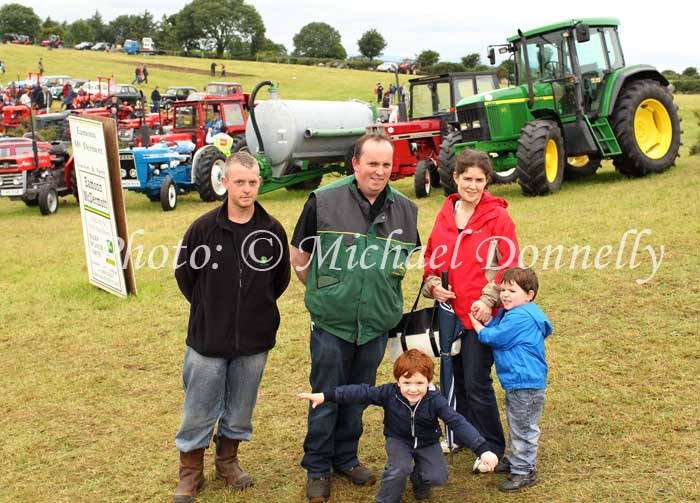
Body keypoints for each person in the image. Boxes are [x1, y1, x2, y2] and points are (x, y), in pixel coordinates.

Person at [291, 132, 419, 502]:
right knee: (325, 394)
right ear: (355, 164)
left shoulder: (406, 210)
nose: (379, 172)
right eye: (372, 164)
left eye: (385, 165)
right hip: (332, 323)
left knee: (359, 395)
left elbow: (404, 260)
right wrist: (325, 293)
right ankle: (317, 465)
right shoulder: (323, 201)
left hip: (376, 324)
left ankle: (345, 457)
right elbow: (300, 258)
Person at [173, 150, 291, 503]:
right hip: (208, 339)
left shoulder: (271, 231)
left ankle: (228, 461)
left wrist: (254, 312)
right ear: (225, 182)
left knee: (241, 406)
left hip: (254, 340)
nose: (247, 189)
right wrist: (212, 310)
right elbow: (185, 276)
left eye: (253, 182)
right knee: (199, 408)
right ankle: (190, 472)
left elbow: (279, 280)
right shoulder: (203, 228)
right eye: (239, 182)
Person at [298, 349, 498, 502]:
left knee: (437, 476)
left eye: (419, 383)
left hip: (427, 442)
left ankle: (419, 480)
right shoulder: (388, 393)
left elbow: (457, 422)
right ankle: (386, 499)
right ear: (398, 381)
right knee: (398, 470)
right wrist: (326, 395)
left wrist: (483, 449)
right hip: (398, 439)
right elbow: (360, 392)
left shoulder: (435, 400)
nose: (413, 389)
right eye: (407, 382)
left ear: (428, 382)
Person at [422, 149, 519, 461]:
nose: (473, 186)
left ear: (487, 181)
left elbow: (509, 264)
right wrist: (432, 284)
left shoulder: (498, 217)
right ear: (455, 178)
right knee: (455, 377)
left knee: (477, 380)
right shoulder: (445, 214)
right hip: (450, 314)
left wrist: (488, 301)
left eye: (479, 180)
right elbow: (432, 257)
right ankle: (465, 435)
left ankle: (492, 445)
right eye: (467, 179)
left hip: (480, 315)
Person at [469, 266, 551, 492]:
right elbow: (497, 325)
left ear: (529, 295)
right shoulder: (513, 312)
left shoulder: (521, 317)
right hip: (519, 382)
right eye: (503, 289)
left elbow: (495, 336)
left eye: (511, 291)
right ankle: (518, 461)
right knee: (518, 424)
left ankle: (524, 472)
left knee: (524, 428)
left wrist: (476, 325)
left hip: (525, 383)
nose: (504, 295)